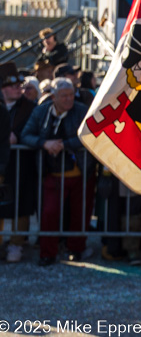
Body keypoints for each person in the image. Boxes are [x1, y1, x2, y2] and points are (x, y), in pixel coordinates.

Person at [20, 78, 91, 266]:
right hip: (52, 173)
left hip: (81, 173)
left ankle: (76, 249)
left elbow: (89, 133)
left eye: (71, 95)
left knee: (80, 215)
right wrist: (44, 143)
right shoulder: (41, 111)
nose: (69, 99)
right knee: (49, 213)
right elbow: (26, 135)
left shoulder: (82, 110)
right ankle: (47, 253)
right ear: (53, 97)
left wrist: (64, 145)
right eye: (64, 96)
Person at [1, 62, 38, 263]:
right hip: (2, 162)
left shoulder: (30, 108)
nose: (18, 88)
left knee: (21, 203)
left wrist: (19, 138)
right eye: (12, 85)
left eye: (19, 85)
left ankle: (16, 244)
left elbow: (33, 130)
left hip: (22, 164)